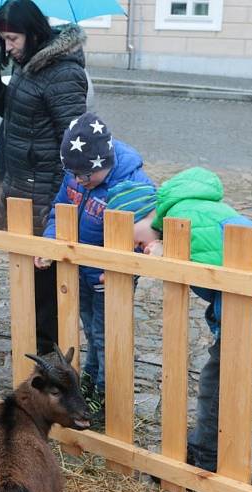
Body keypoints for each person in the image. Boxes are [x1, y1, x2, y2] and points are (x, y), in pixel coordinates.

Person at [109, 167, 252, 487]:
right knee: (224, 382)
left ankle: (222, 466)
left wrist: (169, 252)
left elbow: (210, 262)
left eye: (134, 236)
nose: (135, 245)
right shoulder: (188, 208)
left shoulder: (186, 213)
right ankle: (210, 451)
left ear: (144, 216)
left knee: (221, 384)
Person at [34, 112, 156, 424]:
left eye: (85, 176)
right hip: (82, 272)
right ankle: (89, 379)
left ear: (106, 161)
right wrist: (51, 242)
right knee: (91, 331)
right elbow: (60, 212)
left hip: (108, 278)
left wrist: (121, 269)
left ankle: (106, 394)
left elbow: (143, 235)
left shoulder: (132, 185)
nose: (78, 181)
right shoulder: (77, 175)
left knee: (107, 336)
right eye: (72, 175)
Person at [0, 0, 89, 355]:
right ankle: (38, 358)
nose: (8, 45)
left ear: (33, 32)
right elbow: (27, 122)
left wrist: (64, 201)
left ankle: (51, 368)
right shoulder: (29, 65)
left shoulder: (62, 72)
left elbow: (75, 141)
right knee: (28, 283)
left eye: (12, 37)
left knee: (46, 292)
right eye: (3, 38)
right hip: (22, 187)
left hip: (46, 194)